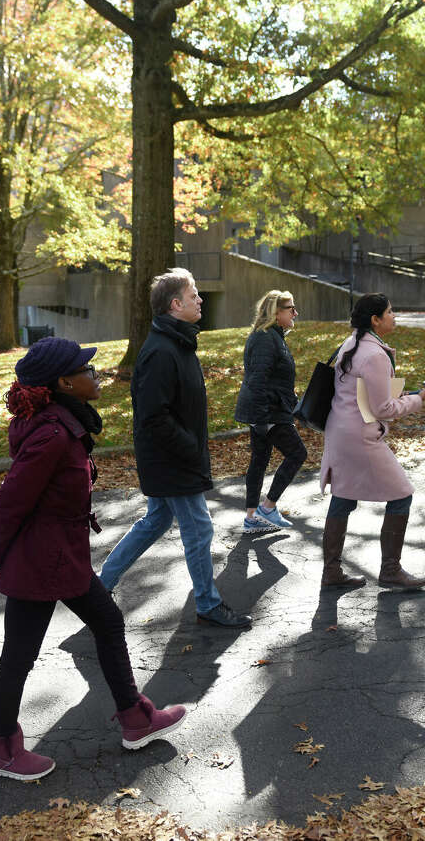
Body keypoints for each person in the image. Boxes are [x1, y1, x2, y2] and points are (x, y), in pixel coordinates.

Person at [0, 337, 186, 781]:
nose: (96, 375)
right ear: (65, 382)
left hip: (61, 556)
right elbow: (10, 503)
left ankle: (135, 718)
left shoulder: (63, 424)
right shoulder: (51, 434)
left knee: (107, 623)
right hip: (39, 562)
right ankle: (3, 749)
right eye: (87, 370)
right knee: (19, 655)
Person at [98, 268, 251, 628]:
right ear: (175, 304)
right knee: (199, 529)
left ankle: (98, 585)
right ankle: (208, 604)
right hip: (173, 460)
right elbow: (153, 417)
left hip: (174, 457)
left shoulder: (177, 343)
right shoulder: (160, 352)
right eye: (194, 294)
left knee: (156, 521)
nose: (201, 300)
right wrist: (189, 448)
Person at [319, 293, 425, 590]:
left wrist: (399, 394)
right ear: (375, 320)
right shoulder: (374, 354)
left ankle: (332, 572)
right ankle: (390, 571)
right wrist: (417, 400)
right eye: (390, 311)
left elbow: (364, 395)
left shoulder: (353, 342)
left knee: (343, 497)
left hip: (341, 429)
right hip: (361, 435)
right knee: (401, 494)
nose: (394, 315)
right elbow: (382, 409)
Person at [234, 290, 308, 533]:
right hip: (268, 412)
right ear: (276, 313)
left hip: (267, 410)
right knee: (297, 453)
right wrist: (264, 417)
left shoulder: (271, 336)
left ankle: (252, 517)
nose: (295, 313)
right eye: (290, 308)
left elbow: (273, 378)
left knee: (260, 460)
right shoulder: (266, 338)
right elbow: (258, 380)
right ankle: (267, 507)